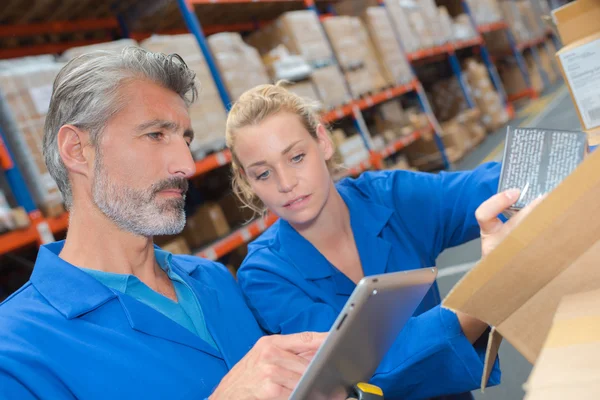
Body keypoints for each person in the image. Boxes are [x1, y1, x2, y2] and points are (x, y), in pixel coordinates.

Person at [0, 48, 328, 400]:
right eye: (156, 135)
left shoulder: (213, 280)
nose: (186, 165)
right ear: (78, 149)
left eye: (185, 139)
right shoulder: (17, 350)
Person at [226, 83, 503, 399]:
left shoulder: (389, 198)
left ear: (323, 141)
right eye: (263, 174)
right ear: (248, 180)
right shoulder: (265, 276)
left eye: (297, 157)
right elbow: (355, 369)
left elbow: (489, 187)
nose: (286, 183)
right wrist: (489, 291)